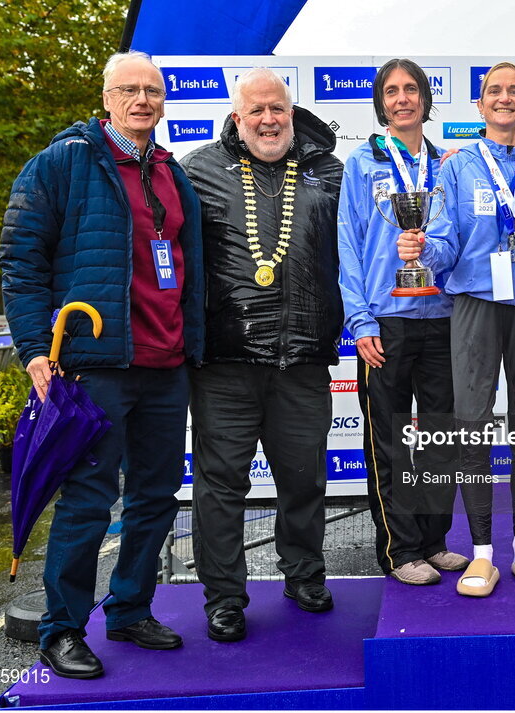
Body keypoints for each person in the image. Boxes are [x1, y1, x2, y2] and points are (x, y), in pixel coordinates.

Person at [0, 51, 204, 678]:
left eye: (152, 90)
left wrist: (192, 347)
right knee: (88, 502)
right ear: (108, 98)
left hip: (166, 366)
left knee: (155, 495)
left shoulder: (173, 173)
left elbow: (187, 270)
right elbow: (21, 263)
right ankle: (62, 629)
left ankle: (130, 608)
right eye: (129, 90)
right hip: (94, 367)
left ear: (163, 100)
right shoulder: (62, 163)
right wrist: (36, 350)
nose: (142, 100)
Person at [180, 68, 344, 641]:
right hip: (225, 361)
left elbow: (362, 248)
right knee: (220, 485)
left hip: (302, 358)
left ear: (292, 113)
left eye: (279, 109)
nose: (269, 120)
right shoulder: (197, 171)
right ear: (237, 117)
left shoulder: (328, 169)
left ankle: (304, 575)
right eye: (258, 111)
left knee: (303, 479)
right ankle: (224, 596)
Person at [399, 62, 515, 597]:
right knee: (471, 427)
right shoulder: (458, 166)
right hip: (473, 304)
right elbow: (446, 242)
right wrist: (424, 250)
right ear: (480, 105)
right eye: (495, 91)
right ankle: (483, 553)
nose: (505, 99)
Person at [338, 59, 468, 586]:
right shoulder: (361, 164)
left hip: (441, 317)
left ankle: (434, 542)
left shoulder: (449, 165)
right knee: (388, 440)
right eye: (391, 91)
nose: (402, 99)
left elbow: (459, 241)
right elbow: (347, 245)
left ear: (425, 98)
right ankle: (399, 549)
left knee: (439, 437)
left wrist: (431, 251)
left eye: (411, 89)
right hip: (384, 322)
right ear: (381, 102)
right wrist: (360, 320)